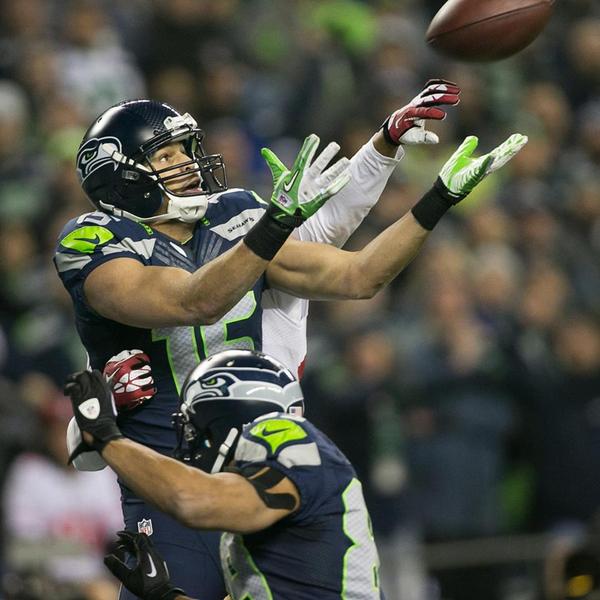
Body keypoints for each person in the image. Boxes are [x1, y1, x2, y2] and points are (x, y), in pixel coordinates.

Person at [55, 85, 527, 598]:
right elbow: (193, 301)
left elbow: (360, 276)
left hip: (261, 465)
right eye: (165, 156)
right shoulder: (92, 240)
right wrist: (275, 224)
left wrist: (437, 199)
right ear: (121, 176)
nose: (187, 164)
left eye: (184, 150)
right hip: (168, 482)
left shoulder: (232, 214)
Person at [64, 349, 385, 599]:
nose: (190, 441)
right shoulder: (257, 519)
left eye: (196, 426)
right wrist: (165, 595)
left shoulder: (289, 439)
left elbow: (190, 500)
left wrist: (107, 438)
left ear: (230, 415)